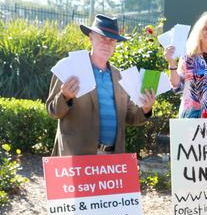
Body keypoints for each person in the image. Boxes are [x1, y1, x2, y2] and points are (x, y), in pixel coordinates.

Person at [46, 14, 155, 156]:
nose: (107, 43)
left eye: (112, 40)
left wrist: (146, 109)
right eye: (103, 37)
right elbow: (52, 111)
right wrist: (65, 96)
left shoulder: (120, 76)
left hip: (112, 157)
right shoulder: (69, 67)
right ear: (90, 36)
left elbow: (129, 117)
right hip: (77, 157)